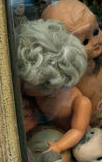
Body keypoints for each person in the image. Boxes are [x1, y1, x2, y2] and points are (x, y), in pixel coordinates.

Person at [42, 0, 102, 131]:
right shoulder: (70, 80)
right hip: (93, 127)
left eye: (96, 32)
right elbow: (66, 116)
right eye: (84, 41)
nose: (95, 42)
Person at [17, 19, 91, 154]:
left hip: (74, 146)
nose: (23, 85)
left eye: (27, 82)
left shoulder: (79, 102)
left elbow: (78, 130)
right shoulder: (30, 96)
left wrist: (59, 146)